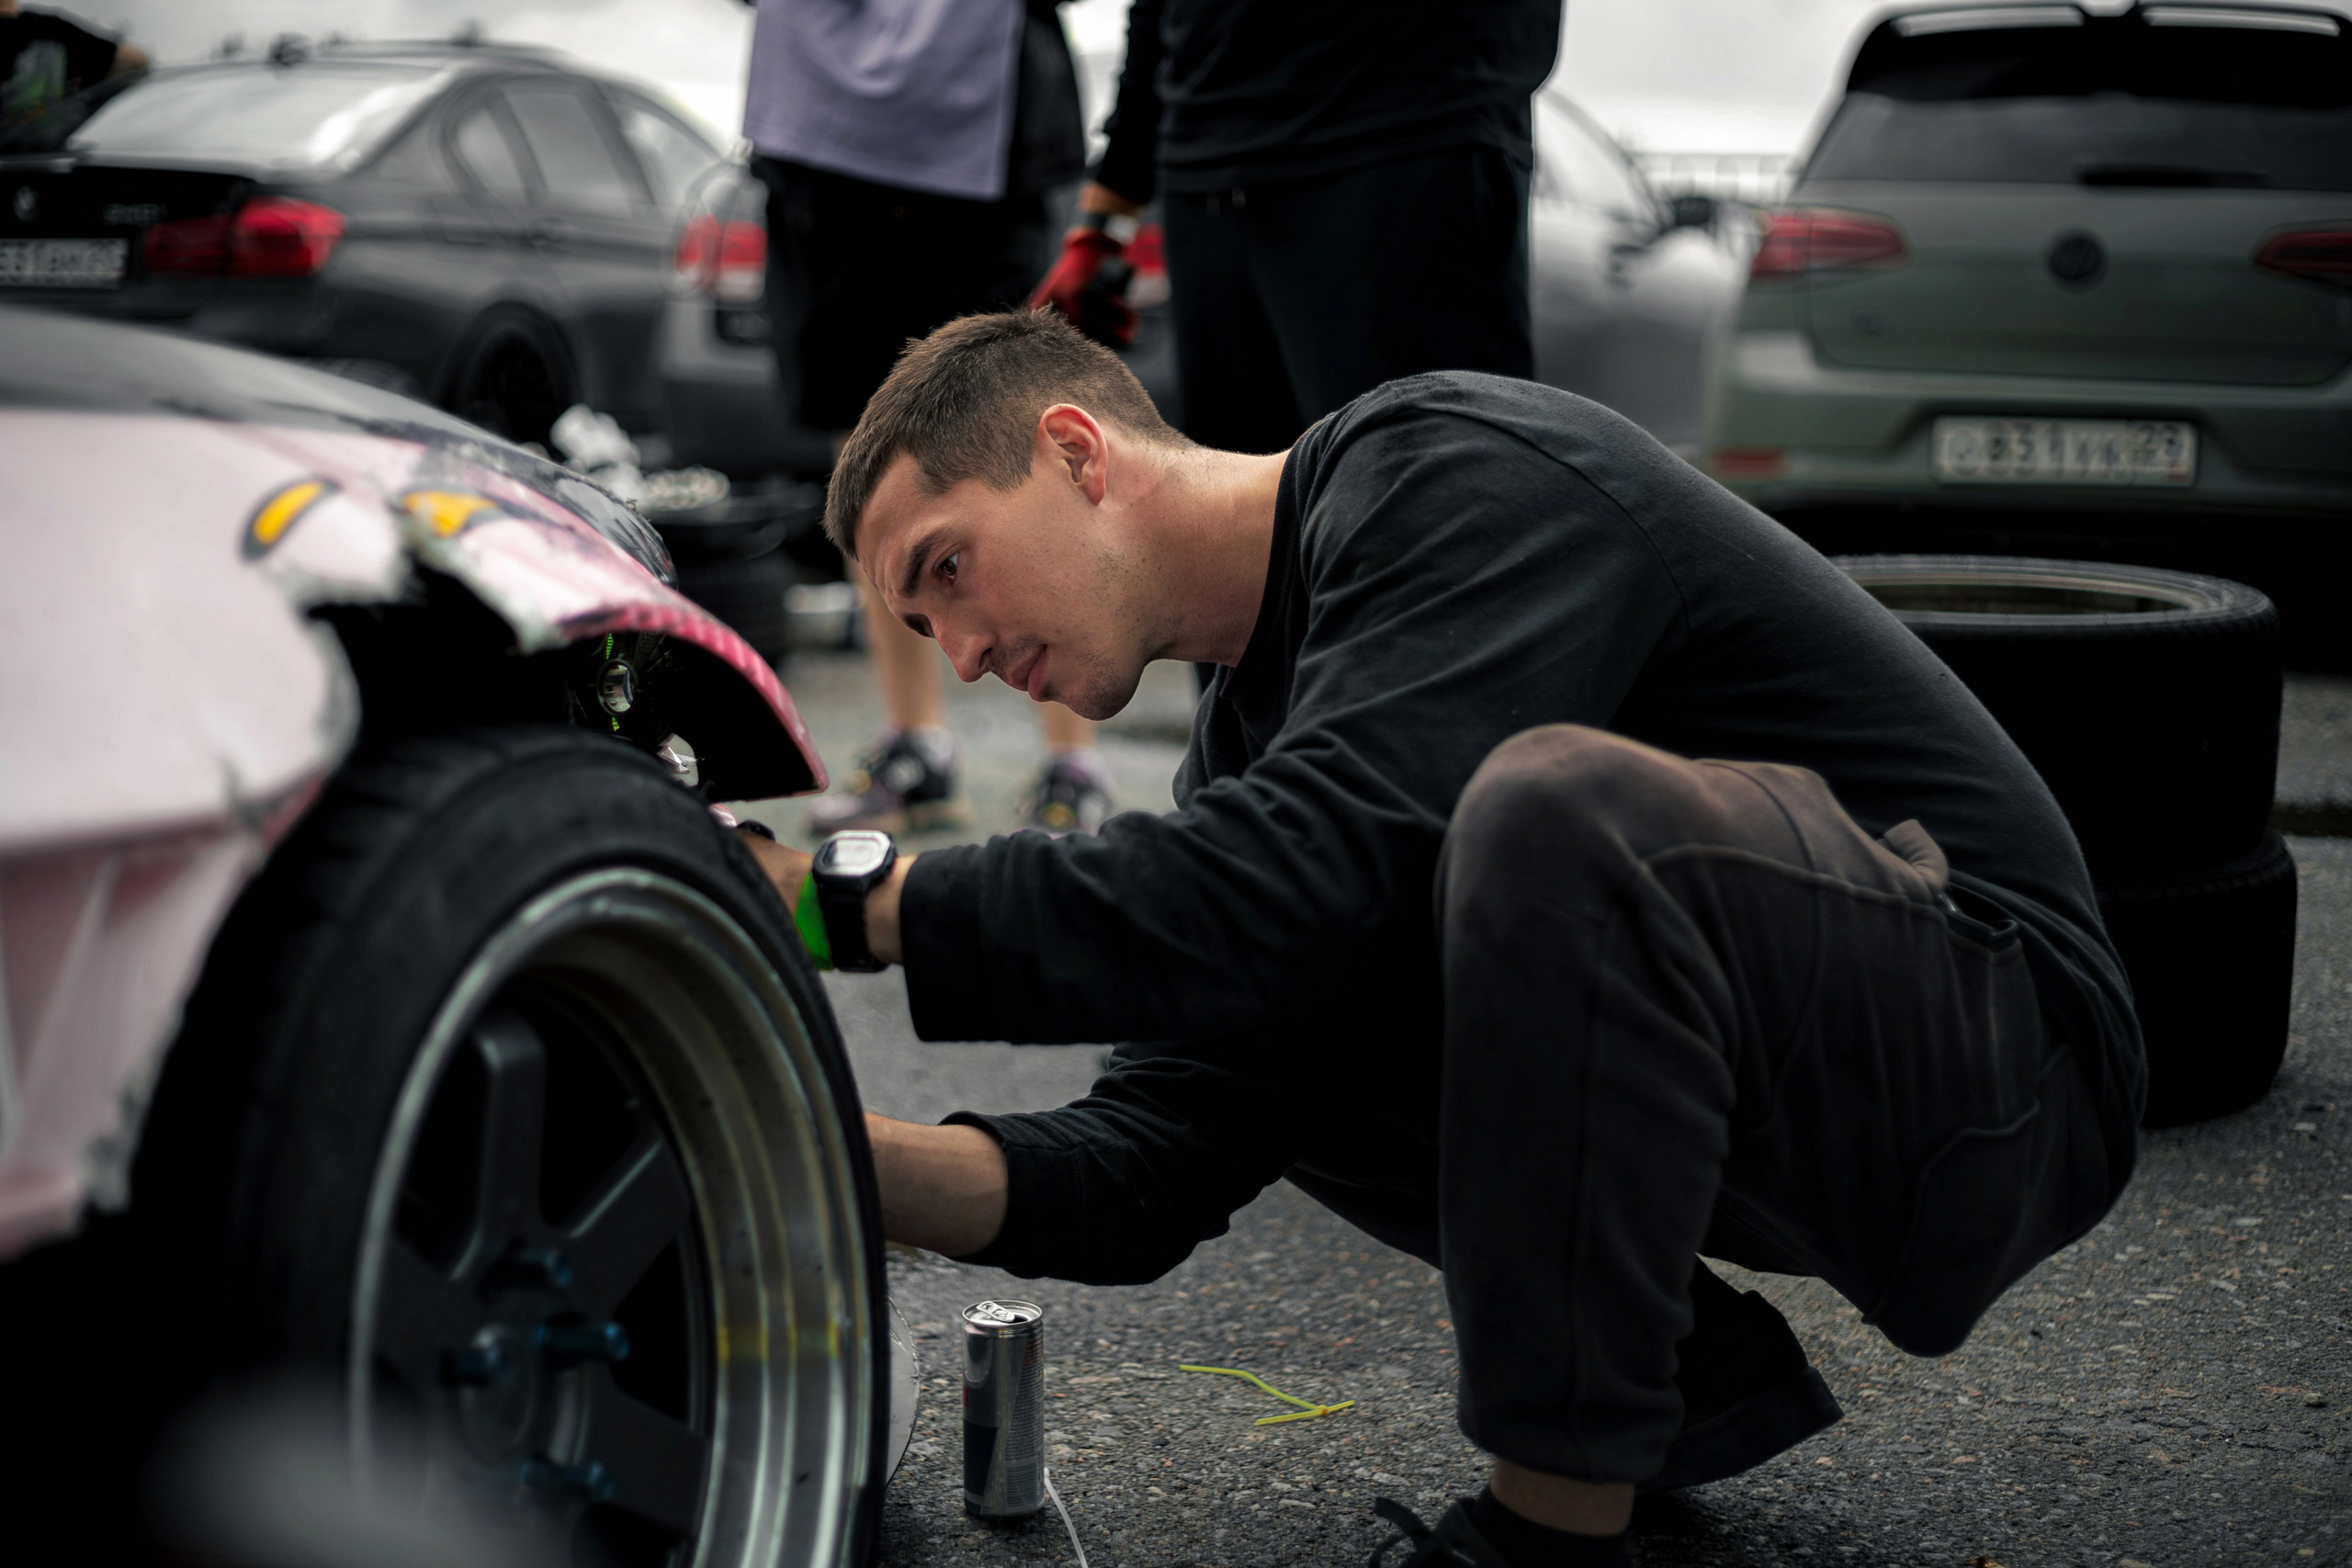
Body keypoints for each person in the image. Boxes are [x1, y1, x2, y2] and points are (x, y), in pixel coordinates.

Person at [740, 310, 2143, 1566]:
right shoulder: (1246, 765)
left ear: (1076, 452)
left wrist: (827, 900)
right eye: (923, 625)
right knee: (1283, 942)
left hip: (2005, 1049)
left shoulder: (1448, 467)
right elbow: (1152, 1157)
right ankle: (1650, 1388)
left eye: (951, 571)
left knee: (1535, 813)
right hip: (1791, 1093)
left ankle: (1547, 1524)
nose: (965, 655)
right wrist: (802, 1153)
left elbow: (1304, 868)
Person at [741, 0, 1115, 836]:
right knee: (869, 463)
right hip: (829, 146)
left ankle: (1070, 756)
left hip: (983, 132)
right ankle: (916, 748)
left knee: (1018, 440)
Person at [1030, 0, 1559, 458]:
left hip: (1399, 146)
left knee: (1431, 512)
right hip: (1207, 183)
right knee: (1244, 552)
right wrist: (1103, 221)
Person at [0, 0, 143, 150]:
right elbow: (135, 62)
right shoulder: (50, 30)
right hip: (47, 153)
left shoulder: (48, 30)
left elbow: (134, 62)